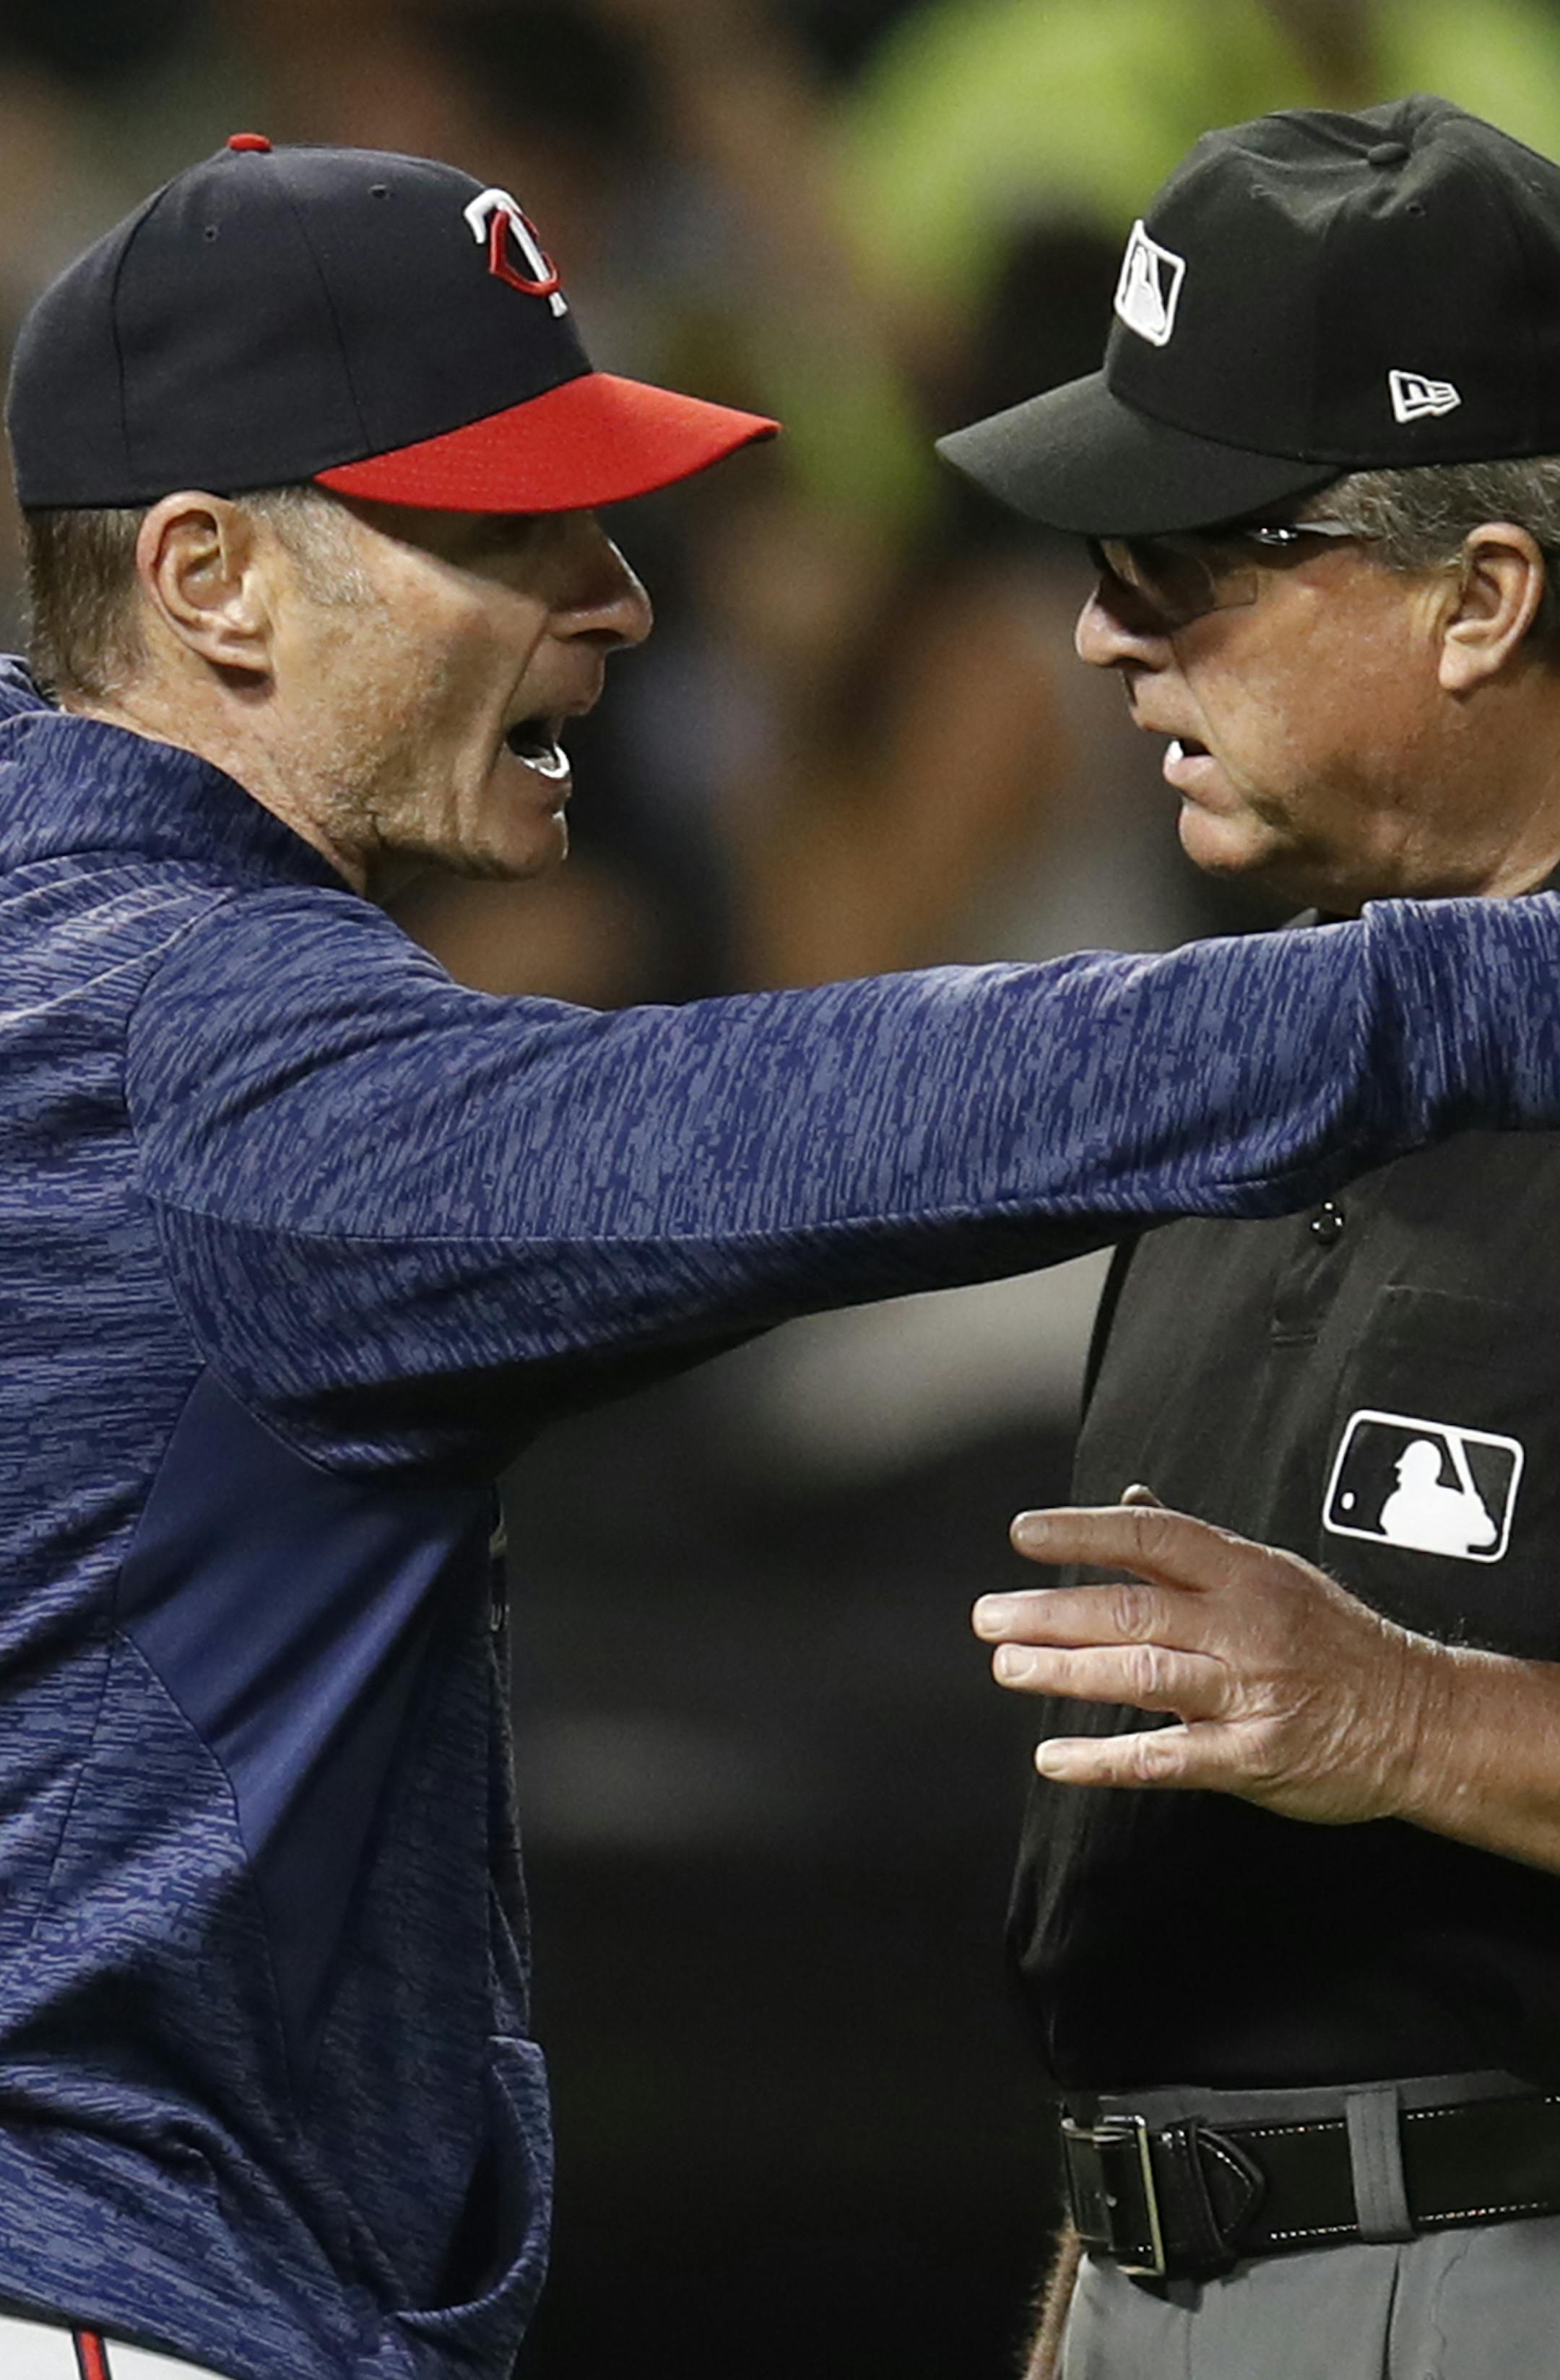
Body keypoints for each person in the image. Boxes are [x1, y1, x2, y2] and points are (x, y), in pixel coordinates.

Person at [1, 132, 1559, 2380]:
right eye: (504, 527)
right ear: (207, 574)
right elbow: (875, 1113)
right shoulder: (208, 1066)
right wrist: (1499, 983)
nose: (622, 597)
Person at [938, 92, 1560, 2380]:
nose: (1104, 633)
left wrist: (1414, 1716)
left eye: (1187, 553)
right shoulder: (1251, 1052)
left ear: (1481, 597)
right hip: (1168, 2272)